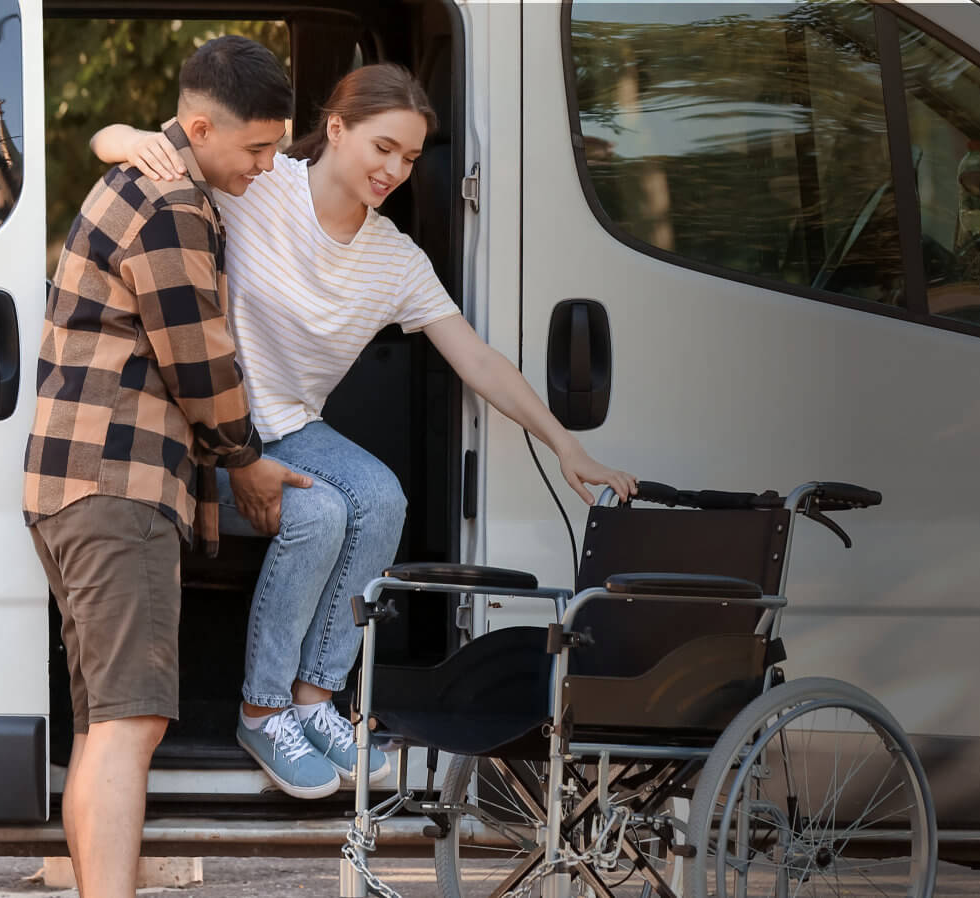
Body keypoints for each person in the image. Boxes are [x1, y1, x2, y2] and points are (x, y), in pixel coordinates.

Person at [90, 62, 638, 800]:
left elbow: (477, 358)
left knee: (381, 497)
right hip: (206, 433)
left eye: (410, 158)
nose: (394, 170)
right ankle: (262, 709)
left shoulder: (395, 259)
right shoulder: (261, 185)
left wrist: (566, 444)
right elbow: (137, 142)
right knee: (317, 513)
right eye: (383, 147)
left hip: (289, 428)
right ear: (337, 128)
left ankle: (316, 700)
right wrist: (125, 136)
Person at [25, 36, 311, 898]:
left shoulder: (144, 178)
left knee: (102, 728)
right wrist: (247, 463)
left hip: (72, 487)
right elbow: (199, 362)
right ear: (199, 127)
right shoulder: (171, 203)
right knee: (130, 726)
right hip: (121, 485)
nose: (266, 166)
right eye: (257, 148)